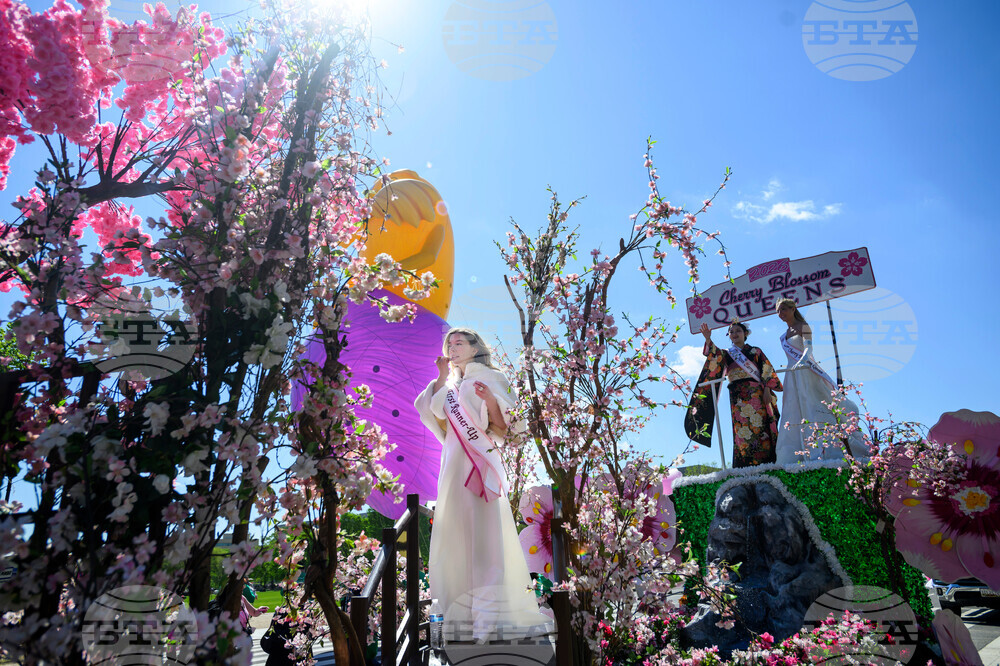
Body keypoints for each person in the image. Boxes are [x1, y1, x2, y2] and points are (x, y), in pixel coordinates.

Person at [414, 327, 551, 644]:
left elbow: (508, 430)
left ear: (476, 347)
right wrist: (441, 375)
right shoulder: (449, 386)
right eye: (449, 343)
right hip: (453, 465)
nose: (453, 346)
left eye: (459, 342)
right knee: (454, 536)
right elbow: (438, 418)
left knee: (485, 537)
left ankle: (488, 619)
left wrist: (490, 401)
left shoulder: (492, 378)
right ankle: (459, 614)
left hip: (482, 463)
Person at [774, 299, 868, 463]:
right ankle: (796, 453)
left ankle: (824, 448)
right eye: (778, 311)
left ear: (792, 308)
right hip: (792, 374)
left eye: (783, 310)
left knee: (813, 404)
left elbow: (808, 348)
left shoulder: (803, 326)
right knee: (793, 409)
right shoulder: (783, 336)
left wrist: (802, 361)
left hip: (806, 370)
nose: (781, 314)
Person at [685, 321, 783, 467]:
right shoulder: (726, 354)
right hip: (737, 397)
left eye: (738, 331)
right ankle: (745, 465)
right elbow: (713, 354)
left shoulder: (756, 351)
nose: (735, 334)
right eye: (732, 332)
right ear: (729, 336)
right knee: (741, 430)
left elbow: (767, 370)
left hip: (757, 393)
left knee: (761, 426)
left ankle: (767, 462)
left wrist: (767, 390)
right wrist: (707, 339)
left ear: (745, 334)